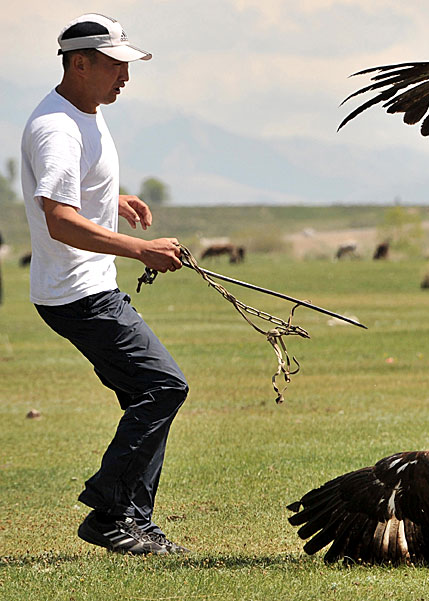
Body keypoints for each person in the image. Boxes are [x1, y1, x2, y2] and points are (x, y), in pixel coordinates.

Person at [21, 13, 188, 555]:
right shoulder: (56, 127)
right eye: (116, 65)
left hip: (86, 286)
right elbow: (59, 219)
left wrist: (110, 200)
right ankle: (111, 515)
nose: (126, 77)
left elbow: (74, 196)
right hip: (78, 293)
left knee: (149, 393)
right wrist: (140, 249)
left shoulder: (86, 114)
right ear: (80, 63)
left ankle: (131, 519)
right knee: (163, 387)